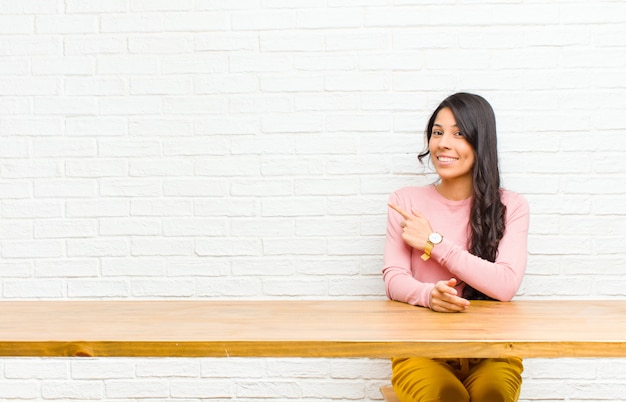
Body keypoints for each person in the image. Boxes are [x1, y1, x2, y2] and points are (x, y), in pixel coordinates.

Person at [382, 92, 530, 402]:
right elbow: (393, 277)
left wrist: (433, 242)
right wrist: (428, 296)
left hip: (492, 351)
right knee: (447, 397)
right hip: (420, 349)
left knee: (493, 396)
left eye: (458, 133)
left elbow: (505, 285)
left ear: (481, 141)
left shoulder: (511, 206)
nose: (443, 143)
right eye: (437, 132)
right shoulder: (405, 202)